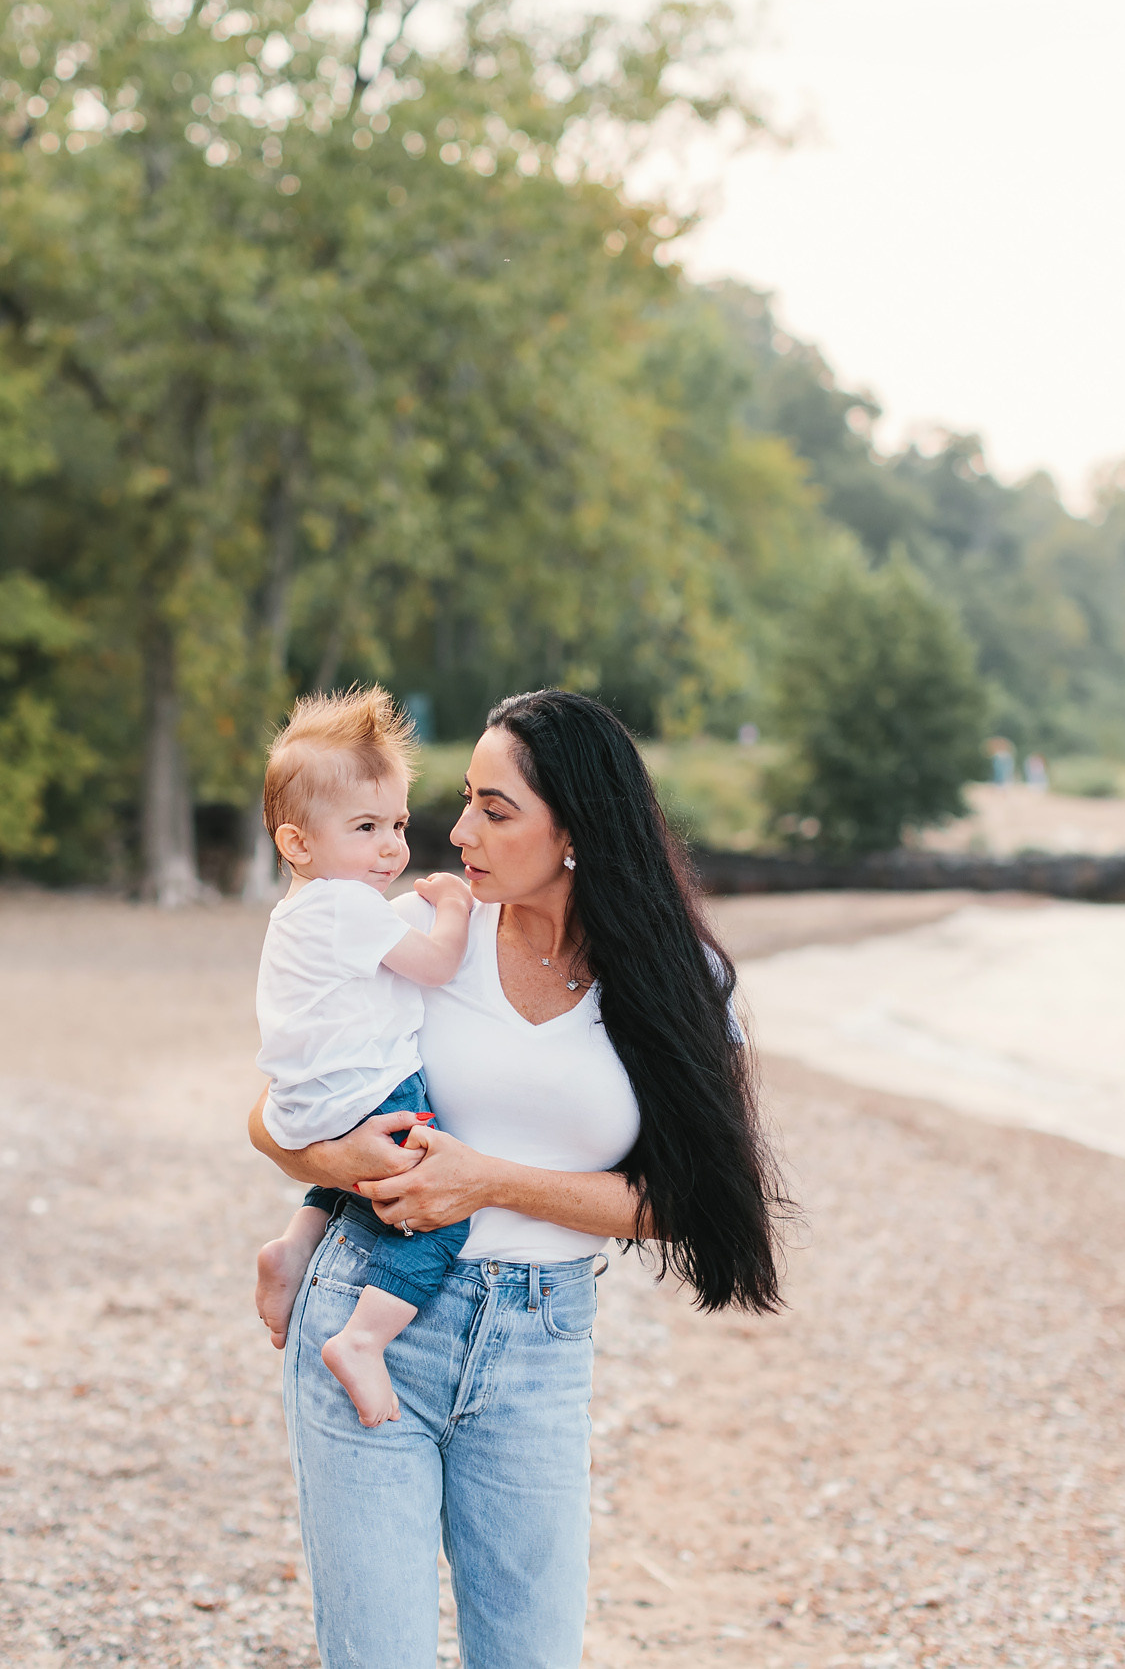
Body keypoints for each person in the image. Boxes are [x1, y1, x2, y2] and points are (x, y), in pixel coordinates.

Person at [248, 688, 791, 1669]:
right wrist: (340, 1163)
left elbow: (698, 1203)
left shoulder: (678, 982)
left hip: (540, 1348)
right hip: (369, 1319)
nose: (456, 832)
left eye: (495, 811)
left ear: (575, 831)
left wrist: (488, 1181)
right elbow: (274, 1113)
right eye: (463, 800)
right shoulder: (418, 931)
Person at [249, 687, 480, 1427]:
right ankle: (364, 1339)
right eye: (366, 826)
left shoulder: (293, 917)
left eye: (399, 823)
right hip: (371, 1089)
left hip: (305, 1099)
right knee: (436, 1215)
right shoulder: (349, 906)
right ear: (298, 844)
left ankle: (294, 1245)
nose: (392, 846)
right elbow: (437, 965)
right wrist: (454, 909)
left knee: (356, 1188)